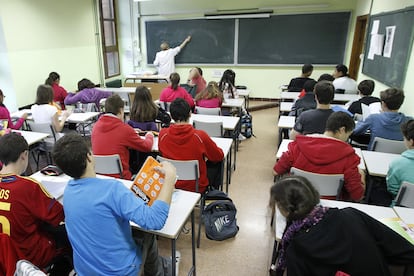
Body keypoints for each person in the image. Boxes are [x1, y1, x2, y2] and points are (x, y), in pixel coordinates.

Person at [52, 133, 176, 275]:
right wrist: (170, 179)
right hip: (120, 272)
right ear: (89, 157)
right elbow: (155, 220)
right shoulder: (112, 190)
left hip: (85, 271)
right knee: (148, 234)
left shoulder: (68, 191)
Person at [270, 175, 414, 276]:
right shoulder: (352, 215)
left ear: (284, 210)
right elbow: (403, 250)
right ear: (314, 195)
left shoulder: (296, 249)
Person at [0, 133, 72, 274]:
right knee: (68, 235)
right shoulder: (28, 186)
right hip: (30, 257)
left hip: (5, 258)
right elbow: (59, 215)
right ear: (24, 155)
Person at [274, 111, 365, 201]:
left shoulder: (298, 146)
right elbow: (357, 196)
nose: (347, 139)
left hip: (297, 201)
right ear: (342, 130)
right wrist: (362, 176)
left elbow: (276, 171)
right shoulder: (349, 157)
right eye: (348, 134)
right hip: (330, 207)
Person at [159, 98, 224, 193]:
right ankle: (212, 194)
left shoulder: (163, 135)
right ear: (190, 113)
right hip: (196, 187)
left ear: (171, 116)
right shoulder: (200, 136)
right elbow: (218, 156)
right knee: (218, 162)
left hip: (170, 183)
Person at [91, 94, 154, 180]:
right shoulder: (125, 129)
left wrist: (131, 131)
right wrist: (149, 135)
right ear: (121, 110)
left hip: (100, 176)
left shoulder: (95, 126)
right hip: (121, 178)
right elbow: (147, 147)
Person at [387, 119, 414, 200]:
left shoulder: (397, 164)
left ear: (411, 141)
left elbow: (393, 190)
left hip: (403, 207)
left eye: (404, 138)